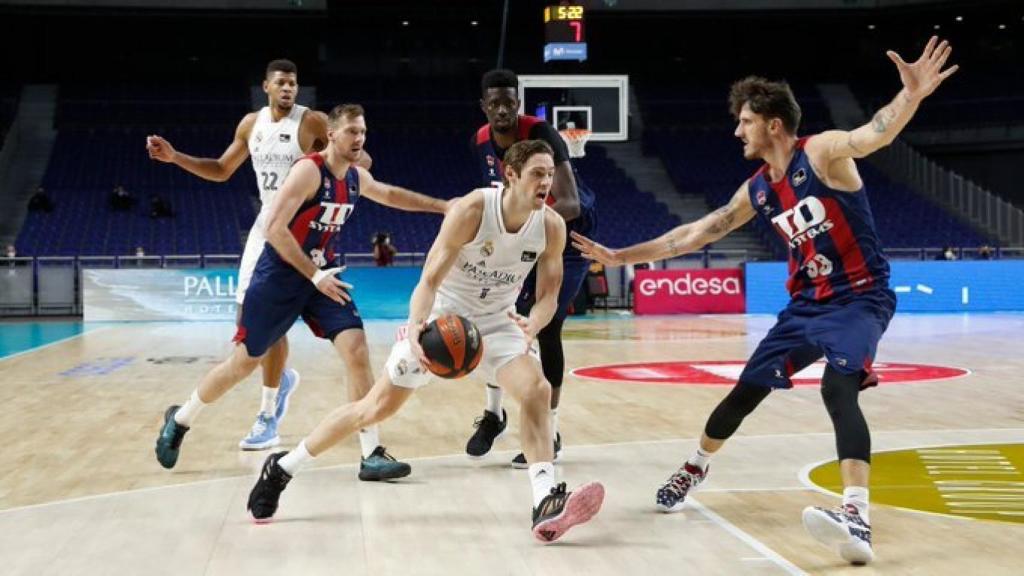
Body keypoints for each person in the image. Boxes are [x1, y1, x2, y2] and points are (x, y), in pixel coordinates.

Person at [571, 37, 958, 565]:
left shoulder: (820, 153)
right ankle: (694, 467)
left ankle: (856, 518)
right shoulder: (756, 190)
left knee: (838, 387)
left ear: (773, 124)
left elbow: (873, 135)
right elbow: (694, 235)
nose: (738, 131)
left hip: (860, 300)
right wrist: (620, 256)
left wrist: (909, 96)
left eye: (746, 121)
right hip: (804, 307)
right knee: (745, 392)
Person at [245, 140, 604, 542]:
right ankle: (283, 467)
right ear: (511, 175)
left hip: (501, 324)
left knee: (537, 389)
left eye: (550, 175)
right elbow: (430, 279)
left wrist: (533, 325)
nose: (546, 183)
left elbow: (548, 297)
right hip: (443, 322)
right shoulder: (473, 209)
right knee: (372, 409)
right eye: (538, 174)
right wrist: (417, 325)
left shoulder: (551, 224)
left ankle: (544, 501)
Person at [155, 104, 447, 483]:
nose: (359, 139)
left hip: (319, 274)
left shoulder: (356, 177)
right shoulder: (309, 170)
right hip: (280, 274)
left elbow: (391, 194)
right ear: (331, 135)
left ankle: (371, 453)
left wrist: (443, 207)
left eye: (363, 132)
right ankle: (180, 419)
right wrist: (314, 276)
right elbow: (275, 228)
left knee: (356, 348)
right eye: (351, 132)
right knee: (243, 363)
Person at [145, 59, 389, 468]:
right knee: (251, 342)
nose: (288, 88)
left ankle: (270, 411)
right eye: (281, 83)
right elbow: (222, 170)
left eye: (294, 83)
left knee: (343, 344)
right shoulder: (250, 125)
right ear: (266, 87)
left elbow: (361, 163)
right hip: (268, 233)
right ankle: (254, 400)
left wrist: (335, 167)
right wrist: (175, 158)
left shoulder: (310, 122)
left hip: (303, 235)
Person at [465, 68, 598, 468]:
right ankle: (493, 415)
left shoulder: (541, 132)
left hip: (566, 236)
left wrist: (523, 226)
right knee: (494, 318)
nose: (503, 109)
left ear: (518, 104)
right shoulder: (480, 141)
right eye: (495, 103)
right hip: (521, 234)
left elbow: (570, 203)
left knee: (548, 327)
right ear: (484, 106)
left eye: (510, 101)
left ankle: (551, 432)